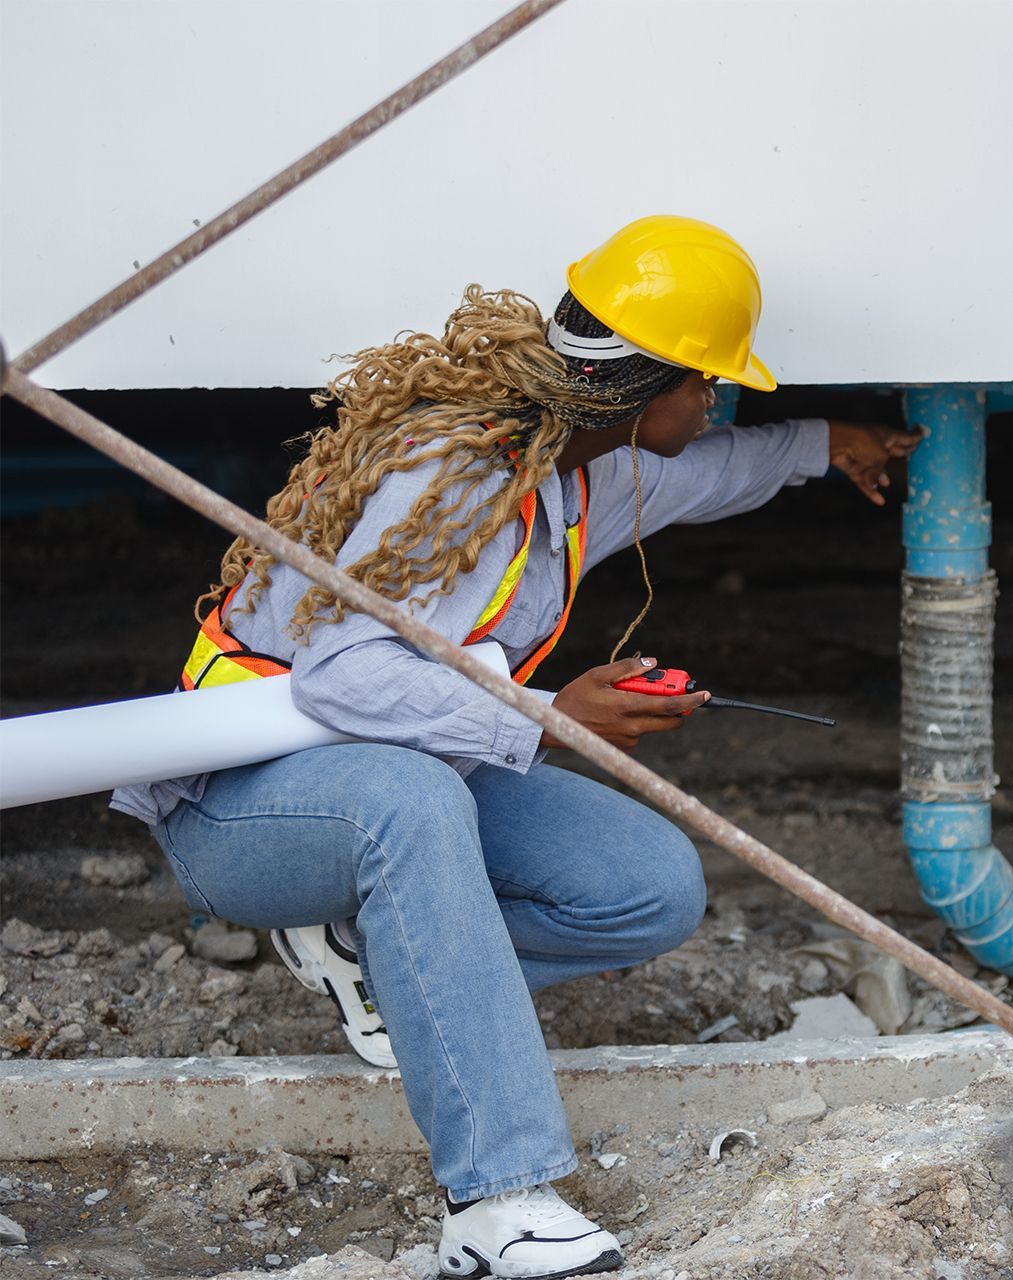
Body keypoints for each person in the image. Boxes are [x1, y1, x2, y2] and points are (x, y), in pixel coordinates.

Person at [108, 215, 921, 1279]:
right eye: (704, 385)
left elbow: (720, 470)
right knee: (411, 801)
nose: (714, 406)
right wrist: (550, 716)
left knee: (649, 883)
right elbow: (340, 674)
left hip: (393, 782)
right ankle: (497, 1207)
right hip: (239, 806)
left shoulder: (583, 470)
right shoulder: (444, 474)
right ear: (646, 389)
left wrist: (828, 446)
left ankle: (369, 957)